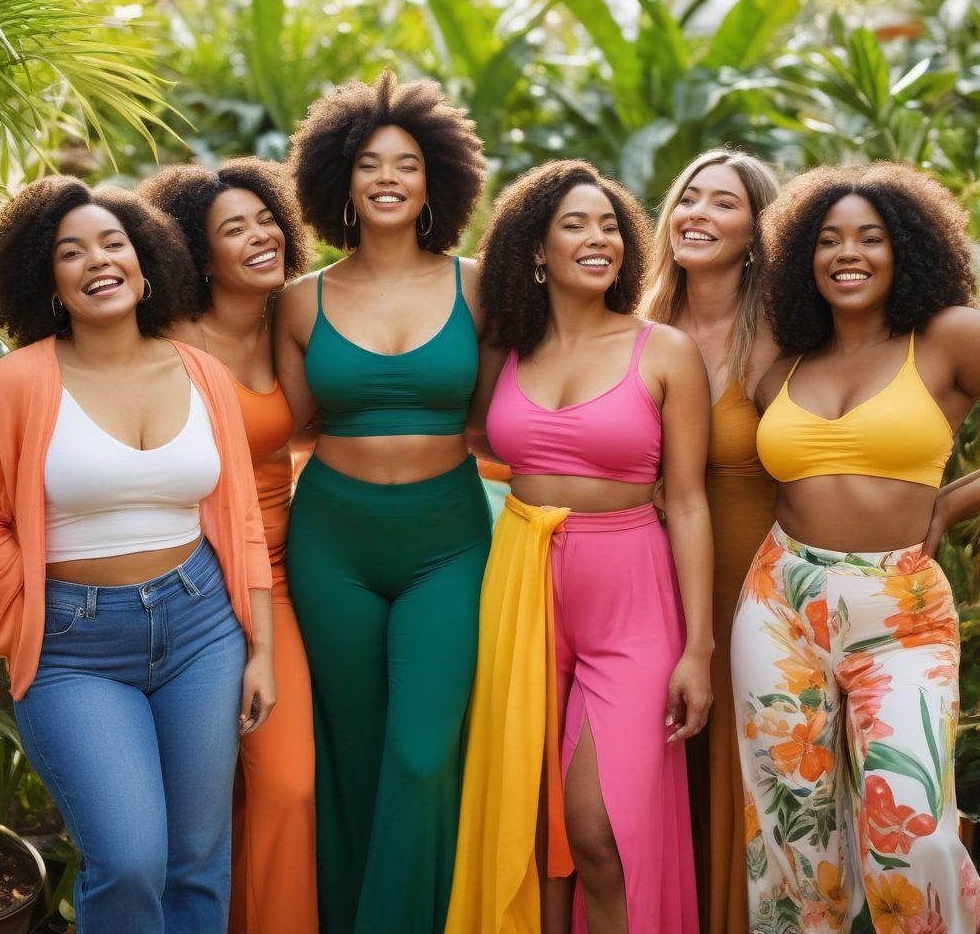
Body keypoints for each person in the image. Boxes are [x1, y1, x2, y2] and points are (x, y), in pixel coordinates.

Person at [0, 178, 275, 934]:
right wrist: (35, 589)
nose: (97, 261)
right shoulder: (19, 381)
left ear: (144, 260)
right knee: (130, 861)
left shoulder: (199, 374)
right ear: (50, 279)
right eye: (71, 252)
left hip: (202, 630)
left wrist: (259, 648)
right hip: (74, 648)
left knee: (197, 861)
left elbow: (241, 521)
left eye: (113, 243)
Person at [448, 159, 710, 934]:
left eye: (609, 226)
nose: (599, 239)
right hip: (520, 579)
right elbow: (461, 436)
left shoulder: (663, 351)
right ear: (535, 249)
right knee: (532, 822)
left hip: (629, 589)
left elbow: (689, 504)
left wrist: (699, 649)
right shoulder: (504, 351)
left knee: (599, 830)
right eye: (575, 225)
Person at [735, 162, 980, 932]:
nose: (850, 253)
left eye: (872, 238)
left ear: (906, 251)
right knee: (792, 837)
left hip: (899, 615)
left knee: (913, 830)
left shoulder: (947, 338)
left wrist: (950, 504)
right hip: (780, 605)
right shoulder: (784, 369)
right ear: (806, 257)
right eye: (830, 240)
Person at [274, 71, 492, 934]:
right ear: (342, 182)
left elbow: (505, 421)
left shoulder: (481, 289)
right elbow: (283, 428)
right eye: (370, 163)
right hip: (331, 542)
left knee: (422, 755)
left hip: (449, 541)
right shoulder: (299, 303)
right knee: (356, 756)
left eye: (407, 162)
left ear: (437, 179)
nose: (389, 177)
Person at [138, 158, 316, 934]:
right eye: (231, 229)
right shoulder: (171, 343)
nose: (259, 236)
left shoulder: (295, 323)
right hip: (193, 583)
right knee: (200, 810)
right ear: (196, 256)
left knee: (287, 787)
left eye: (265, 218)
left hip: (285, 576)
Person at [642, 148, 780, 933]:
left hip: (749, 579)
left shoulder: (788, 333)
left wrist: (932, 506)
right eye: (688, 197)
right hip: (637, 574)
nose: (696, 213)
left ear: (757, 231)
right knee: (650, 769)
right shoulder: (634, 316)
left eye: (723, 203)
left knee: (737, 777)